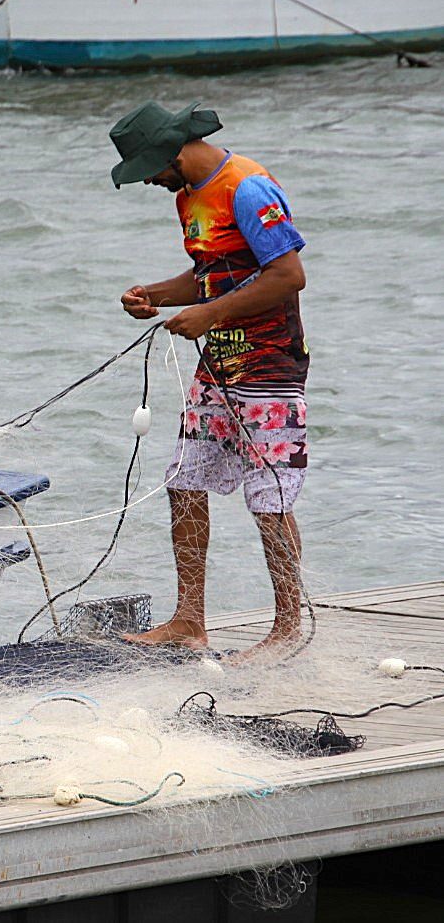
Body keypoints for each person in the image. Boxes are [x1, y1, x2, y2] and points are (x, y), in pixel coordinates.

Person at [108, 101, 308, 658]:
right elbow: (210, 278)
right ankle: (190, 620)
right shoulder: (188, 197)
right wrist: (155, 295)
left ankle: (288, 628)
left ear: (174, 151)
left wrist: (212, 314)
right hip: (218, 364)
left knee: (269, 499)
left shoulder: (247, 188)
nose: (149, 179)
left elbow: (289, 275)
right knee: (183, 481)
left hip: (269, 365)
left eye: (150, 166)